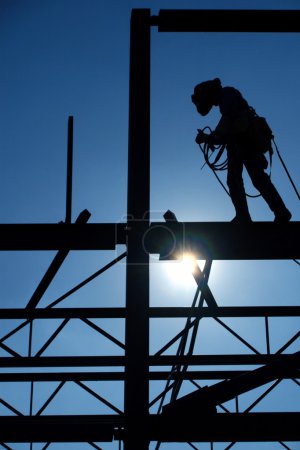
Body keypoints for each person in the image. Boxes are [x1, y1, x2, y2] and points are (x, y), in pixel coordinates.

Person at [191, 78, 292, 223]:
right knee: (237, 179)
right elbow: (227, 127)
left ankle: (277, 212)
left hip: (245, 144)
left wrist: (209, 138)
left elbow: (230, 123)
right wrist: (212, 138)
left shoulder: (228, 95)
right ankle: (248, 215)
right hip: (239, 145)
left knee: (252, 178)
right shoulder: (226, 98)